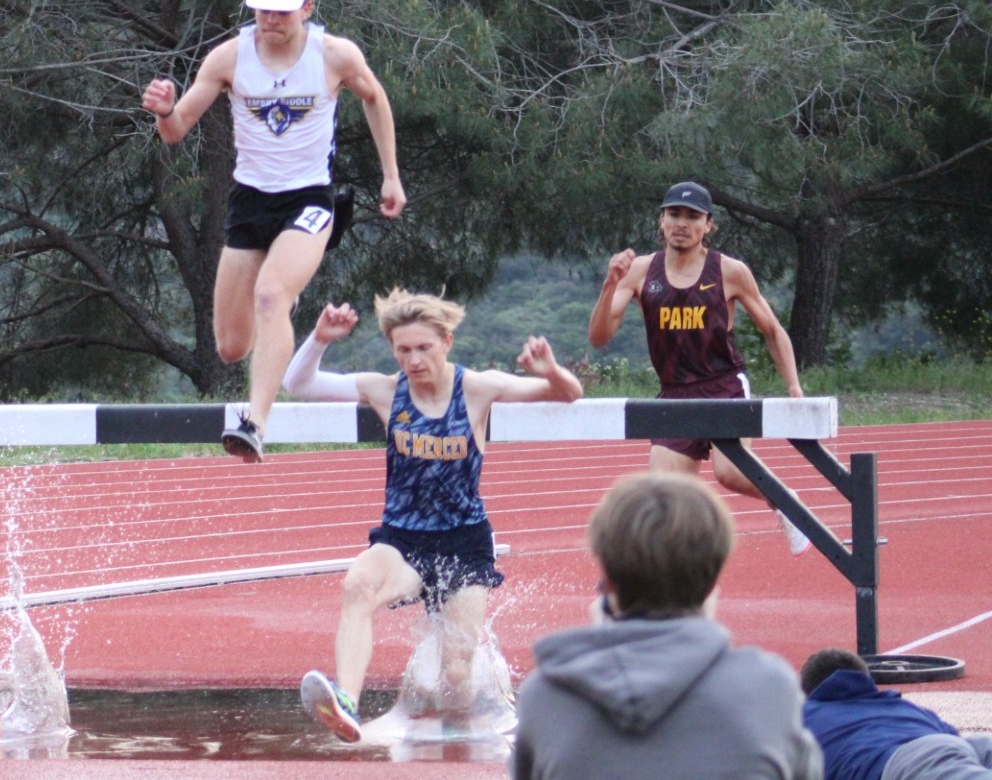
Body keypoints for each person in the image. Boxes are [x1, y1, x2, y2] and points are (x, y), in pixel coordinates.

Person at [281, 289, 582, 742]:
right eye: (403, 350)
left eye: (424, 347)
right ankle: (347, 701)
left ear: (447, 342)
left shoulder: (477, 388)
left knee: (457, 676)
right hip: (403, 541)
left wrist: (551, 371)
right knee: (357, 585)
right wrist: (320, 339)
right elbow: (299, 385)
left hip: (464, 545)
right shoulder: (386, 390)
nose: (414, 359)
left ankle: (487, 705)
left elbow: (569, 394)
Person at [141, 0, 405, 464]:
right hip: (250, 202)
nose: (271, 19)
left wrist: (390, 174)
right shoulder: (227, 58)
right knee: (231, 347)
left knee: (271, 294)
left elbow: (375, 97)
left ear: (307, 6)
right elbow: (176, 132)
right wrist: (164, 111)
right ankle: (273, 342)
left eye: (283, 10)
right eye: (263, 8)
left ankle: (256, 422)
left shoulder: (334, 55)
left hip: (309, 200)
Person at [509, 472, 822, 780]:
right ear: (712, 580)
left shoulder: (546, 698)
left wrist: (608, 640)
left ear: (608, 583)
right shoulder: (769, 689)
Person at [587, 180, 813, 555]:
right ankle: (673, 576)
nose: (682, 223)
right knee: (662, 496)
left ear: (708, 225)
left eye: (693, 217)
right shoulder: (640, 271)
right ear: (661, 220)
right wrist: (609, 286)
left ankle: (786, 500)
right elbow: (599, 338)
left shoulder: (729, 271)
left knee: (729, 473)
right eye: (674, 214)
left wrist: (794, 389)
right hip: (674, 394)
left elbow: (772, 330)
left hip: (723, 385)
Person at [801, 648, 992, 780]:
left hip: (910, 765)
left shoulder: (804, 719)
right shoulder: (902, 707)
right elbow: (951, 741)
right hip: (956, 748)